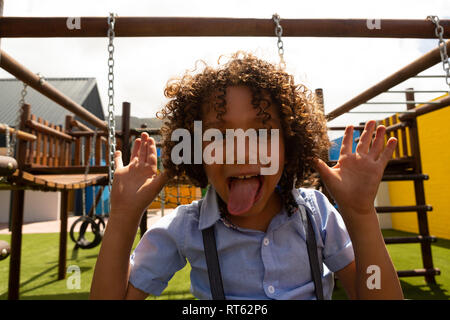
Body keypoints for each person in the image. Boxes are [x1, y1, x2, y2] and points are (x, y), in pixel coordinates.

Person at [90, 52, 404, 300]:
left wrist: (361, 214)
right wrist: (122, 216)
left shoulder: (317, 215)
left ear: (289, 142)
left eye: (262, 132)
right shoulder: (185, 228)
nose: (241, 151)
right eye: (219, 136)